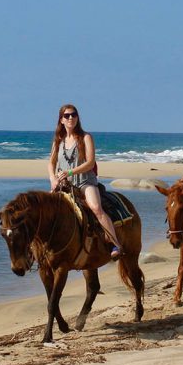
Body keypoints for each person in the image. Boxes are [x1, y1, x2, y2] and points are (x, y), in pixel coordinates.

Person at [48, 104, 123, 259]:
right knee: (45, 210)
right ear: (61, 120)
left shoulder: (86, 137)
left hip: (85, 182)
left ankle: (114, 243)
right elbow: (51, 162)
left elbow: (90, 162)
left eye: (74, 115)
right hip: (64, 185)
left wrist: (70, 172)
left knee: (96, 207)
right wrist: (53, 179)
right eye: (67, 115)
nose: (71, 118)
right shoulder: (58, 140)